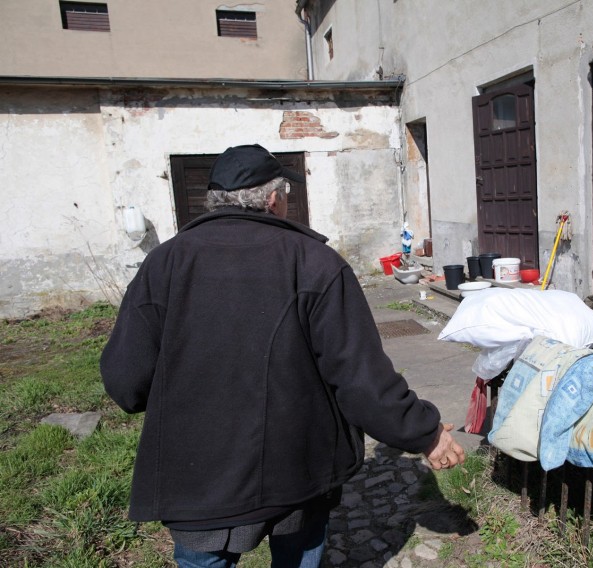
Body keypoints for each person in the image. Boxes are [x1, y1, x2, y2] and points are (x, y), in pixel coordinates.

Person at [100, 144, 465, 568]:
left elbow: (125, 382)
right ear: (273, 199)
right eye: (287, 197)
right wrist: (426, 433)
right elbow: (361, 379)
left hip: (197, 476)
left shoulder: (163, 263)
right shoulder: (315, 262)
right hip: (297, 466)